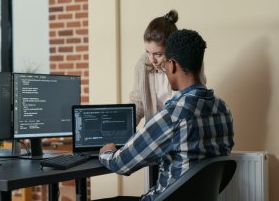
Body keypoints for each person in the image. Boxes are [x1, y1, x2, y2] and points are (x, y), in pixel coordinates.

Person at [97, 29, 234, 201]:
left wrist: (106, 152)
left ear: (172, 65)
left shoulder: (173, 114)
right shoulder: (223, 109)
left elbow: (121, 164)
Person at [130, 9, 206, 126]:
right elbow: (138, 103)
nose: (152, 59)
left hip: (183, 127)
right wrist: (123, 131)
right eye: (148, 52)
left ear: (171, 50)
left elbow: (197, 97)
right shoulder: (142, 65)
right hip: (155, 130)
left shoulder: (187, 62)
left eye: (158, 54)